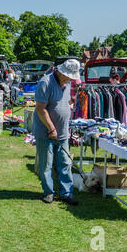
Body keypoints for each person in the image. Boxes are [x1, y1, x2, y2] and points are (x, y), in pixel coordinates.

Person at [33, 59, 81, 206]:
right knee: (46, 164)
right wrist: (51, 128)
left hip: (62, 132)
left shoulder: (66, 85)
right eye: (68, 77)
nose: (70, 80)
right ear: (60, 72)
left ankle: (67, 193)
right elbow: (41, 109)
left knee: (65, 163)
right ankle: (48, 192)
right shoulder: (45, 82)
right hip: (46, 131)